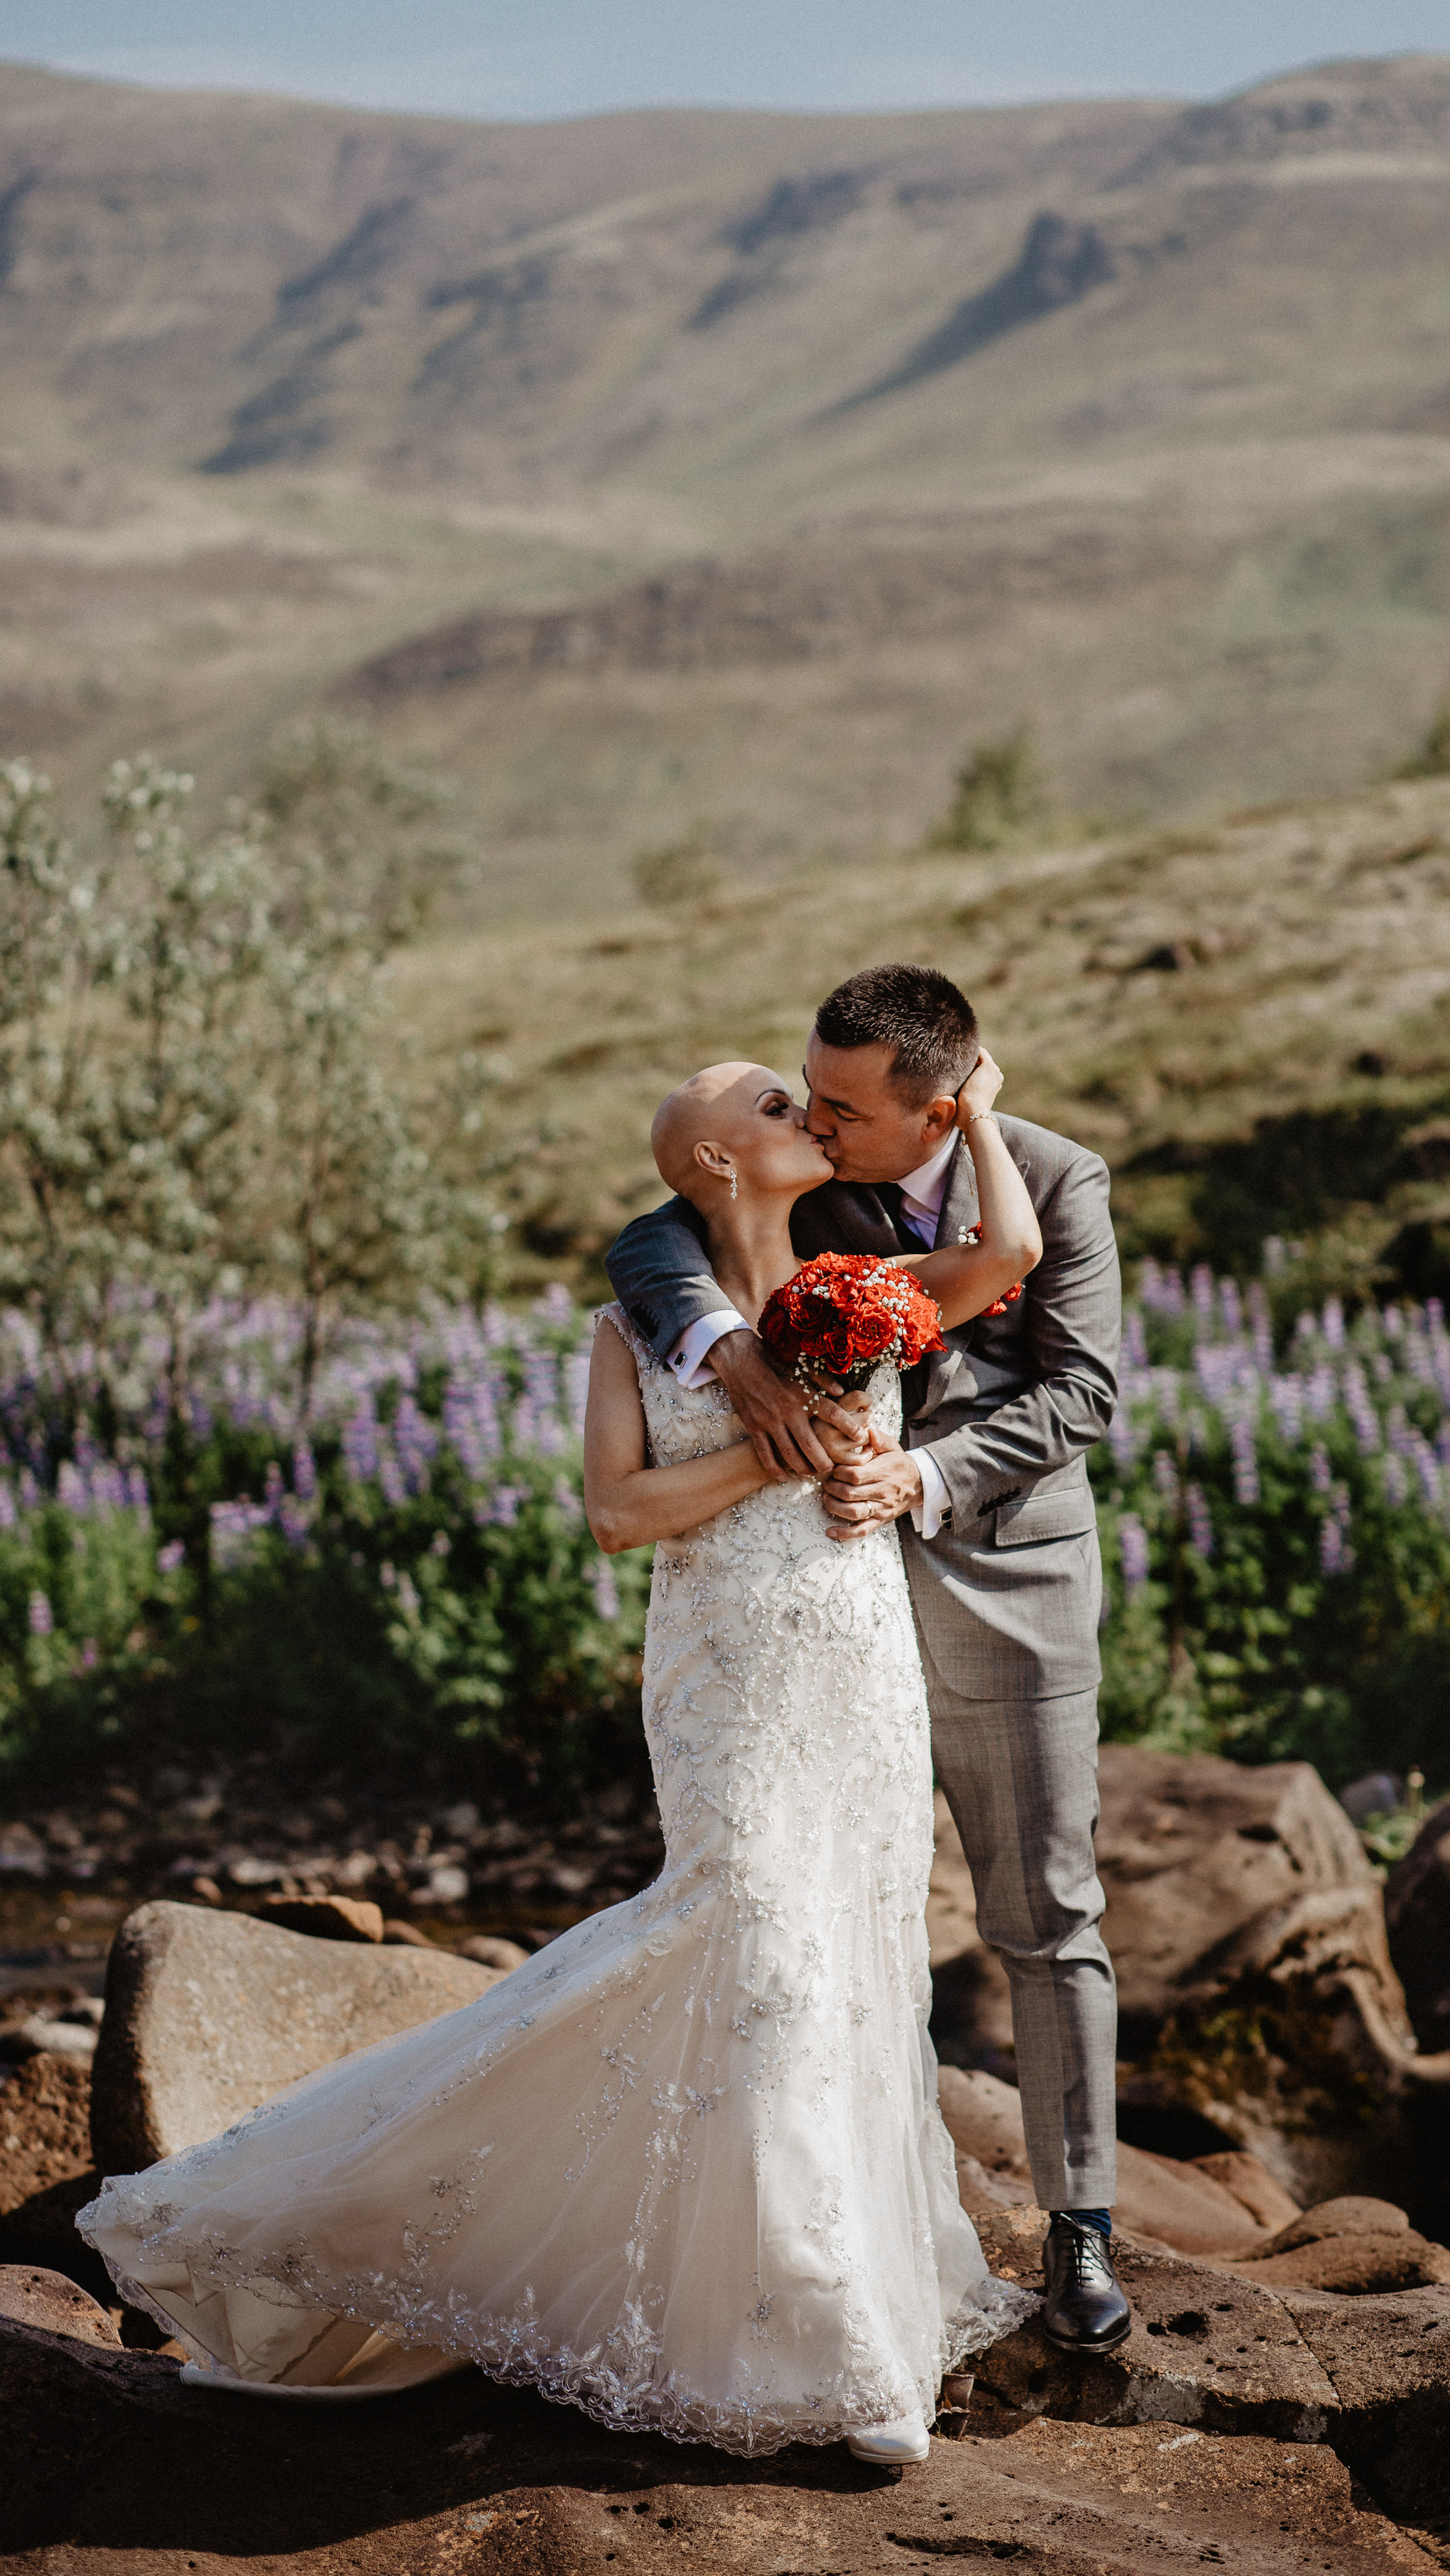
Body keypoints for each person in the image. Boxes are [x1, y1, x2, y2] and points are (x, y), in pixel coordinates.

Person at [75, 1047, 1040, 2464]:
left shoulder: (875, 1273)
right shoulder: (628, 1329)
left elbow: (1009, 1247)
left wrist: (979, 1107)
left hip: (856, 1666)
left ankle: (847, 2330)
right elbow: (615, 1513)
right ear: (709, 1157)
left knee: (850, 1959)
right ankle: (820, 2350)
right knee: (755, 1932)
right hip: (726, 1669)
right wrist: (767, 1452)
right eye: (773, 1104)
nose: (807, 1116)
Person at [606, 964, 1128, 2354]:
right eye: (807, 1095)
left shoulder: (1055, 1179)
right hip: (828, 1603)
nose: (820, 1123)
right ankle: (824, 2228)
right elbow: (646, 1249)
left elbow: (1082, 1387)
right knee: (825, 1913)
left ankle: (1079, 2227)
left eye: (842, 1105)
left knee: (1044, 1910)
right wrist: (734, 1361)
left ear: (938, 1109)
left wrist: (925, 1473)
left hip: (1005, 1573)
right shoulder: (804, 1176)